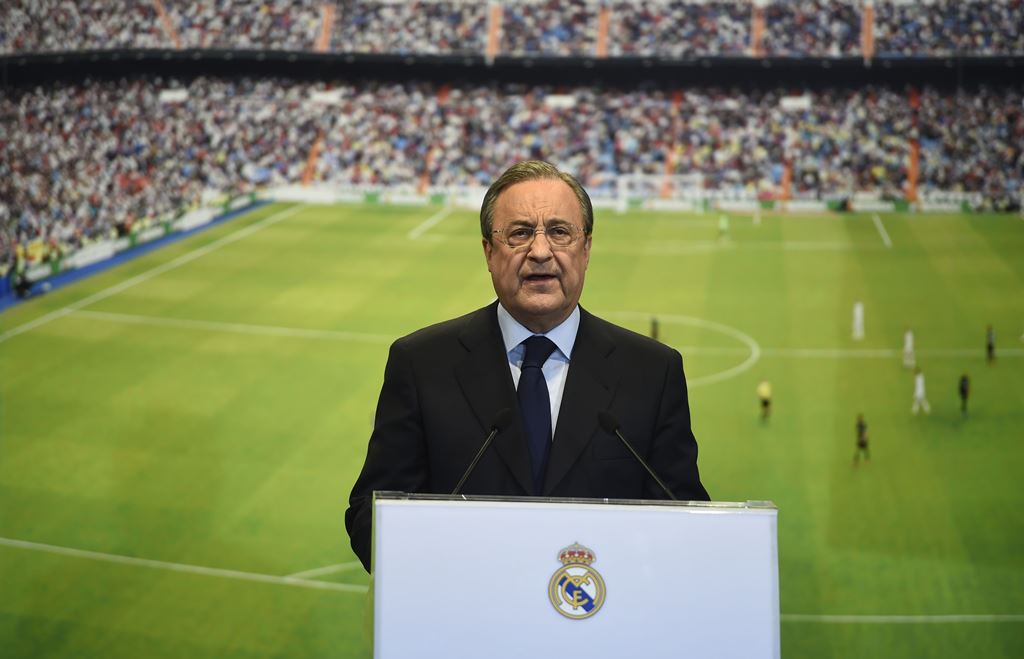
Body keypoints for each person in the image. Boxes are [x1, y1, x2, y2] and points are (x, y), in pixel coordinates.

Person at [345, 161, 710, 572]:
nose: (540, 252)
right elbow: (369, 520)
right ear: (488, 251)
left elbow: (685, 523)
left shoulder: (652, 372)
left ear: (586, 249)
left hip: (598, 621)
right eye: (519, 233)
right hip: (466, 621)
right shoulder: (421, 363)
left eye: (559, 232)